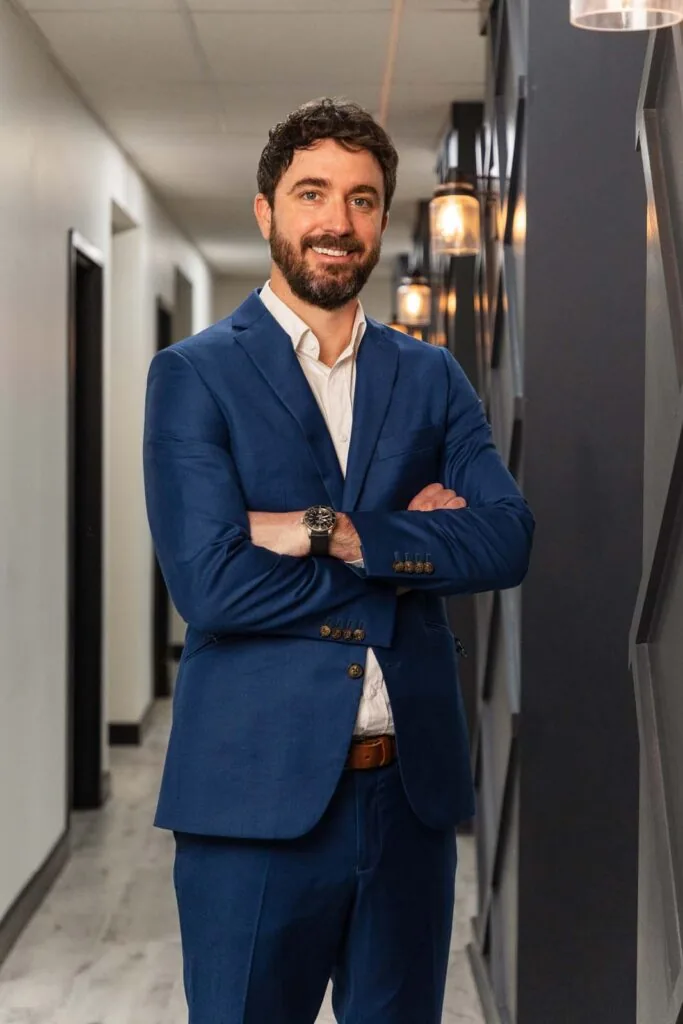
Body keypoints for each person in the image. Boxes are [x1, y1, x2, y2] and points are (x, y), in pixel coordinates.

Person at [143, 97, 534, 1024]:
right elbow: (211, 583)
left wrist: (331, 528)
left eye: (362, 200)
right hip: (252, 807)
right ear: (265, 210)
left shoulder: (430, 373)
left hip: (408, 797)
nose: (337, 221)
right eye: (311, 192)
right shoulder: (194, 375)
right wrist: (413, 551)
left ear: (382, 219)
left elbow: (507, 536)